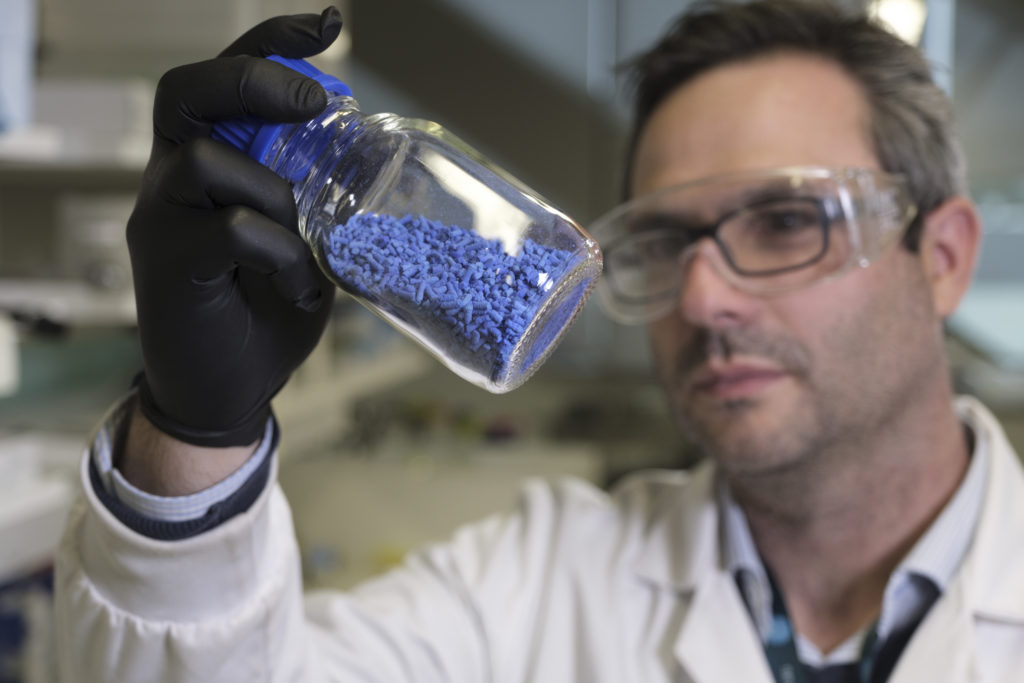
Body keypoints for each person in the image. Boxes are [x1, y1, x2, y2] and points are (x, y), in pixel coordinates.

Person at [55, 1, 1024, 681]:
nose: (701, 292)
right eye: (665, 237)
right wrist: (197, 433)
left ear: (940, 258)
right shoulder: (537, 578)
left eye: (782, 221)